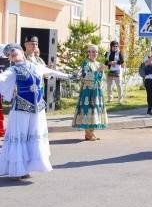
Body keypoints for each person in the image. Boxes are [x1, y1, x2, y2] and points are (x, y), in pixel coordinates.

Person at [0, 44, 71, 180]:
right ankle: (19, 170)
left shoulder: (35, 66)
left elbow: (51, 72)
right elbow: (2, 78)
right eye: (8, 54)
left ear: (21, 51)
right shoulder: (13, 70)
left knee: (32, 136)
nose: (11, 53)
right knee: (20, 136)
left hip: (37, 109)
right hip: (21, 109)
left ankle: (27, 168)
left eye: (13, 50)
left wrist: (69, 75)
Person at [72, 44, 108, 141]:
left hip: (96, 90)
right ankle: (88, 134)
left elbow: (101, 79)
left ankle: (91, 133)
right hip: (87, 91)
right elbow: (86, 77)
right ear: (88, 53)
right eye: (91, 51)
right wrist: (98, 71)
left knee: (94, 110)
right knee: (88, 110)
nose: (93, 53)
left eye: (95, 51)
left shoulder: (98, 63)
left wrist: (101, 72)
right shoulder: (86, 63)